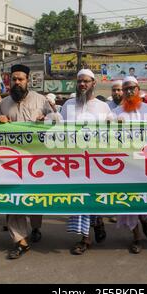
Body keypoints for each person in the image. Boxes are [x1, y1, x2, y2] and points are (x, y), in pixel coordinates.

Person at [0, 64, 58, 259]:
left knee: (34, 199)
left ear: (27, 81)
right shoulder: (3, 104)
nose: (17, 82)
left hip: (37, 161)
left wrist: (46, 117)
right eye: (14, 79)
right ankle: (20, 241)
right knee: (13, 199)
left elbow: (57, 119)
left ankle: (36, 227)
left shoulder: (41, 100)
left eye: (20, 79)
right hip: (12, 162)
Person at [60, 69, 111, 255]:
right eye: (80, 81)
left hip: (96, 161)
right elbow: (59, 128)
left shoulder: (102, 106)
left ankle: (97, 222)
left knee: (94, 197)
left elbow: (113, 128)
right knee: (79, 200)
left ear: (93, 83)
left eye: (86, 81)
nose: (82, 84)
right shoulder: (67, 104)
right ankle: (85, 238)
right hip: (74, 161)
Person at [111, 76, 147, 253]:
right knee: (128, 202)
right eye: (126, 89)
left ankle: (144, 219)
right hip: (125, 163)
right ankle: (137, 237)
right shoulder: (116, 112)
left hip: (146, 161)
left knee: (144, 197)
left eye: (132, 88)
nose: (129, 91)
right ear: (122, 92)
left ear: (138, 89)